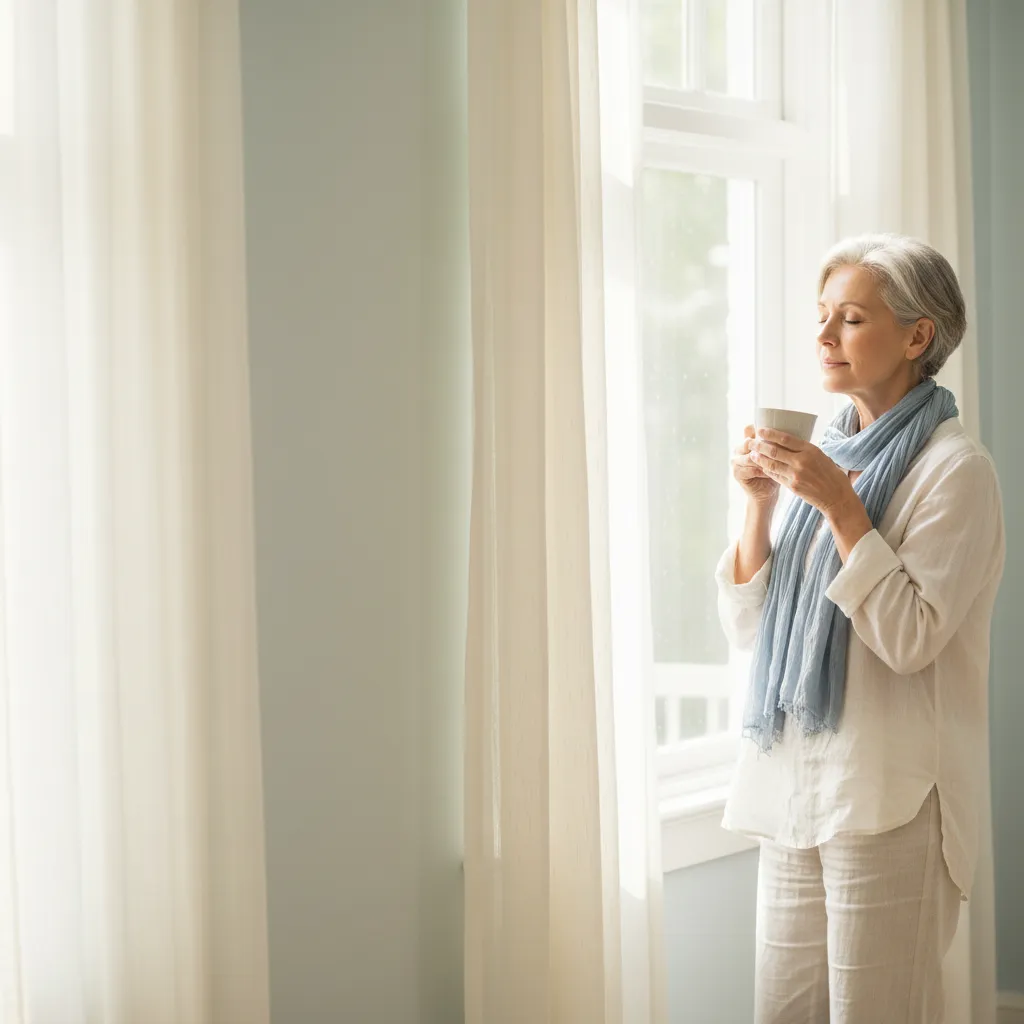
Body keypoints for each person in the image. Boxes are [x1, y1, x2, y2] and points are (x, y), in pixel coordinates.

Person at [716, 234, 1005, 1024]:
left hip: (892, 798)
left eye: (850, 318)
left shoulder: (957, 470)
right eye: (822, 317)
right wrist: (761, 505)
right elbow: (750, 628)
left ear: (918, 338)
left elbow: (911, 638)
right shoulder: (824, 452)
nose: (824, 337)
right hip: (792, 787)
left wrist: (842, 508)